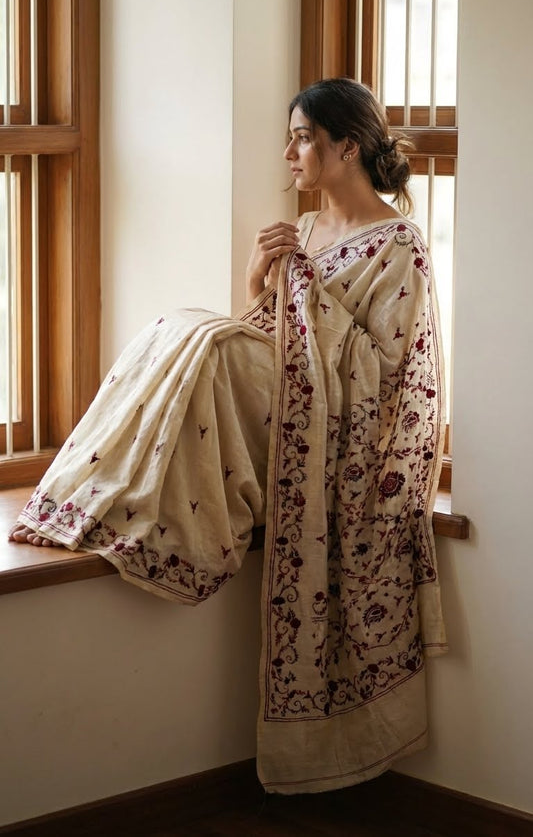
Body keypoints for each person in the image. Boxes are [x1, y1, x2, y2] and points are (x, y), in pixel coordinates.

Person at [9, 78, 446, 795]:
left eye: (302, 137)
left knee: (210, 348)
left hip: (337, 433)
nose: (288, 152)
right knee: (178, 324)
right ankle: (97, 499)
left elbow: (394, 383)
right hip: (287, 401)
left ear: (348, 145)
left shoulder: (399, 247)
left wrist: (303, 293)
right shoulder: (301, 231)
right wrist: (258, 278)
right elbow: (265, 324)